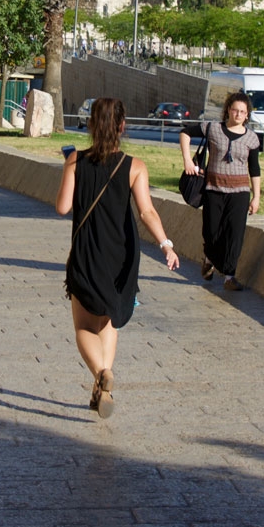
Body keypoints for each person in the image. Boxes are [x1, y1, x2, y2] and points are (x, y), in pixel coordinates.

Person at [56, 97, 180, 418]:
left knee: (84, 324)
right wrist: (165, 244)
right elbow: (147, 211)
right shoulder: (134, 166)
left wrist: (69, 169)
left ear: (92, 125)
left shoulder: (74, 161)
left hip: (86, 252)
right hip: (121, 256)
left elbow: (62, 207)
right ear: (123, 126)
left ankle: (100, 373)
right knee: (109, 321)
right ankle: (103, 384)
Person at [179, 91, 261, 292]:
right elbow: (185, 132)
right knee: (212, 231)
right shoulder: (213, 129)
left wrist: (256, 196)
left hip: (240, 193)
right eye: (235, 110)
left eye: (243, 111)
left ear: (247, 115)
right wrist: (188, 160)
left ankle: (229, 277)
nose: (238, 114)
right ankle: (209, 257)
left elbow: (255, 169)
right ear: (228, 111)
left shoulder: (252, 139)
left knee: (235, 234)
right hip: (214, 189)